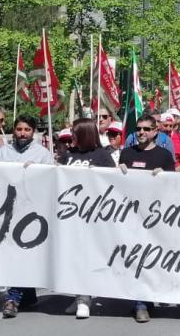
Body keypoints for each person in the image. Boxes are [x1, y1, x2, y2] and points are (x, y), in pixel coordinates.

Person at [118, 114, 175, 323]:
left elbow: (174, 188)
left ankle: (149, 297)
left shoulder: (164, 156)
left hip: (155, 218)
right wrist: (118, 172)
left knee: (152, 259)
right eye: (139, 129)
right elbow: (118, 186)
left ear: (155, 132)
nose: (141, 132)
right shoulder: (126, 153)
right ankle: (140, 303)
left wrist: (165, 177)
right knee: (136, 258)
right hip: (131, 215)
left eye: (146, 129)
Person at [0, 115, 53, 318]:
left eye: (27, 130)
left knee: (22, 253)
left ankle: (13, 298)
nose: (22, 133)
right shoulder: (3, 152)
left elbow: (50, 181)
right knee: (12, 254)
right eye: (19, 129)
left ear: (33, 132)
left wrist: (36, 172)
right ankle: (26, 294)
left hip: (30, 213)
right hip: (6, 211)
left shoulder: (43, 154)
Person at [58, 119, 115, 318]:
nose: (71, 136)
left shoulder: (102, 156)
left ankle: (84, 299)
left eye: (74, 133)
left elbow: (112, 184)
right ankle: (80, 296)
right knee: (73, 258)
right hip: (70, 215)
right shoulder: (68, 155)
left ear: (85, 134)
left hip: (94, 216)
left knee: (87, 257)